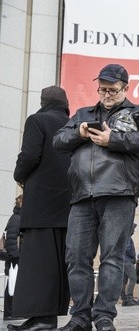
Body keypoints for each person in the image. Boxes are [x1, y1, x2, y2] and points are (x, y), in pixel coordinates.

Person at [53, 63, 139, 331]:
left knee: (112, 258)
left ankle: (104, 316)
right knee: (76, 257)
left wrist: (114, 140)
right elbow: (58, 141)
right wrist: (78, 133)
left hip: (118, 193)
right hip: (81, 196)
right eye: (102, 88)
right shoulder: (82, 114)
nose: (107, 93)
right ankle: (79, 316)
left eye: (113, 89)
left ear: (126, 88)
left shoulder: (138, 113)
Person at [8, 86, 72, 331]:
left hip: (41, 205)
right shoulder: (72, 123)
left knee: (37, 262)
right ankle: (48, 317)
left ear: (43, 102)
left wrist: (18, 175)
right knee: (56, 264)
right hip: (66, 206)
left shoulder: (37, 120)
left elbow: (29, 156)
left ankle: (41, 318)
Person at [3, 195, 23, 322]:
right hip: (14, 260)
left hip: (16, 258)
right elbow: (10, 239)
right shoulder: (16, 218)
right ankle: (10, 313)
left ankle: (13, 312)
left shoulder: (20, 218)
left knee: (15, 285)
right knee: (12, 285)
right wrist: (16, 257)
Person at [121, 224, 139, 306]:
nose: (134, 231)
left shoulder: (125, 237)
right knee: (133, 278)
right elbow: (128, 249)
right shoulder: (127, 238)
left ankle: (124, 299)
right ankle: (129, 298)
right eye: (133, 229)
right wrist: (133, 258)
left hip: (124, 261)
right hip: (128, 261)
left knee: (124, 280)